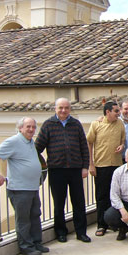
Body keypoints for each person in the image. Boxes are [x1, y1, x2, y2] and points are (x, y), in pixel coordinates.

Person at [35, 98, 91, 243]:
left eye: (66, 108)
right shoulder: (48, 125)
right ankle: (60, 232)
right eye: (60, 108)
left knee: (79, 202)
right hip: (56, 170)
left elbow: (84, 147)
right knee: (59, 204)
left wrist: (85, 166)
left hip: (75, 170)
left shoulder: (76, 124)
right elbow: (37, 148)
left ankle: (81, 232)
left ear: (70, 109)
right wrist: (38, 166)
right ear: (55, 108)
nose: (63, 110)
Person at [0, 117, 47, 255]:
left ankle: (36, 243)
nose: (31, 129)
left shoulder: (30, 142)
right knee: (23, 219)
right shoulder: (13, 141)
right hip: (19, 189)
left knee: (35, 215)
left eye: (33, 127)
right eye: (28, 127)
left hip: (32, 187)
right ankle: (26, 247)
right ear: (20, 128)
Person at [86, 101, 125, 237]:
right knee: (102, 196)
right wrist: (91, 164)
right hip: (101, 165)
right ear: (107, 112)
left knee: (117, 195)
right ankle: (101, 225)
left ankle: (116, 223)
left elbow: (123, 140)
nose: (118, 113)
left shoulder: (120, 124)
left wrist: (122, 145)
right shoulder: (96, 124)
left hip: (117, 165)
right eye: (116, 111)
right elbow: (89, 143)